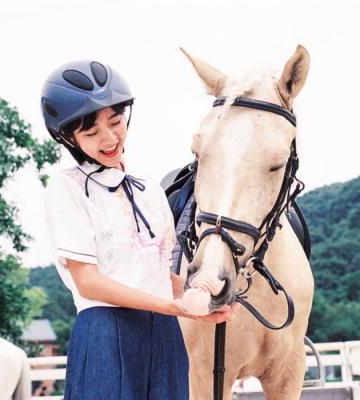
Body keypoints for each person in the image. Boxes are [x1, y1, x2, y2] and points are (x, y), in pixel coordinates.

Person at [41, 59, 238, 399]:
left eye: (116, 122)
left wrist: (201, 300)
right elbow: (88, 281)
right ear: (68, 138)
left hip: (163, 334)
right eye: (91, 132)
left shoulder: (149, 189)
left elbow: (160, 276)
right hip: (105, 330)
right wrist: (170, 307)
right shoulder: (67, 187)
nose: (109, 138)